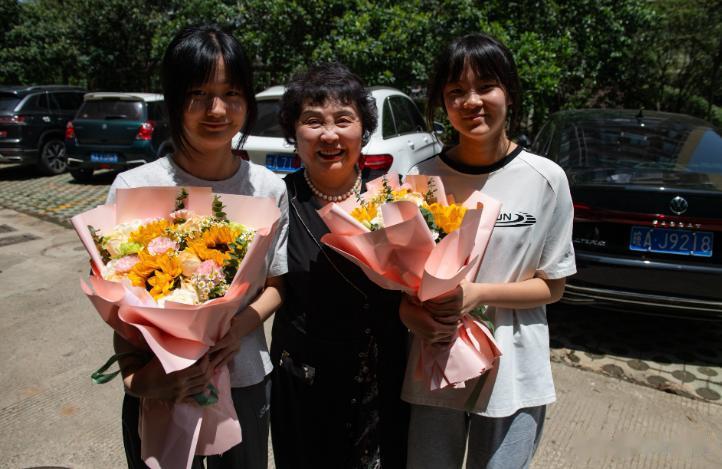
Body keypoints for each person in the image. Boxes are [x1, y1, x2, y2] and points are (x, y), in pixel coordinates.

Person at [106, 24, 288, 469]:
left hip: (244, 378)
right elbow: (119, 306)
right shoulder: (134, 187)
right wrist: (138, 378)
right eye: (199, 94)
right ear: (173, 99)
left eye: (231, 93)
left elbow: (277, 285)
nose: (217, 110)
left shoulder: (268, 187)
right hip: (162, 382)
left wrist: (238, 328)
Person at [400, 33, 576, 469]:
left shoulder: (546, 179)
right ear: (442, 103)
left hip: (513, 371)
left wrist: (477, 294)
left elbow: (552, 286)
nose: (471, 101)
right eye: (456, 91)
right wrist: (412, 315)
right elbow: (403, 286)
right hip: (435, 364)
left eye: (485, 87)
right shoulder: (420, 178)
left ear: (509, 93)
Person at [269, 62, 409, 469]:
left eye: (343, 120)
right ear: (294, 133)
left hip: (383, 383)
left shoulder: (394, 198)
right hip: (305, 384)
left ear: (363, 131)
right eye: (313, 121)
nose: (329, 135)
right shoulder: (277, 202)